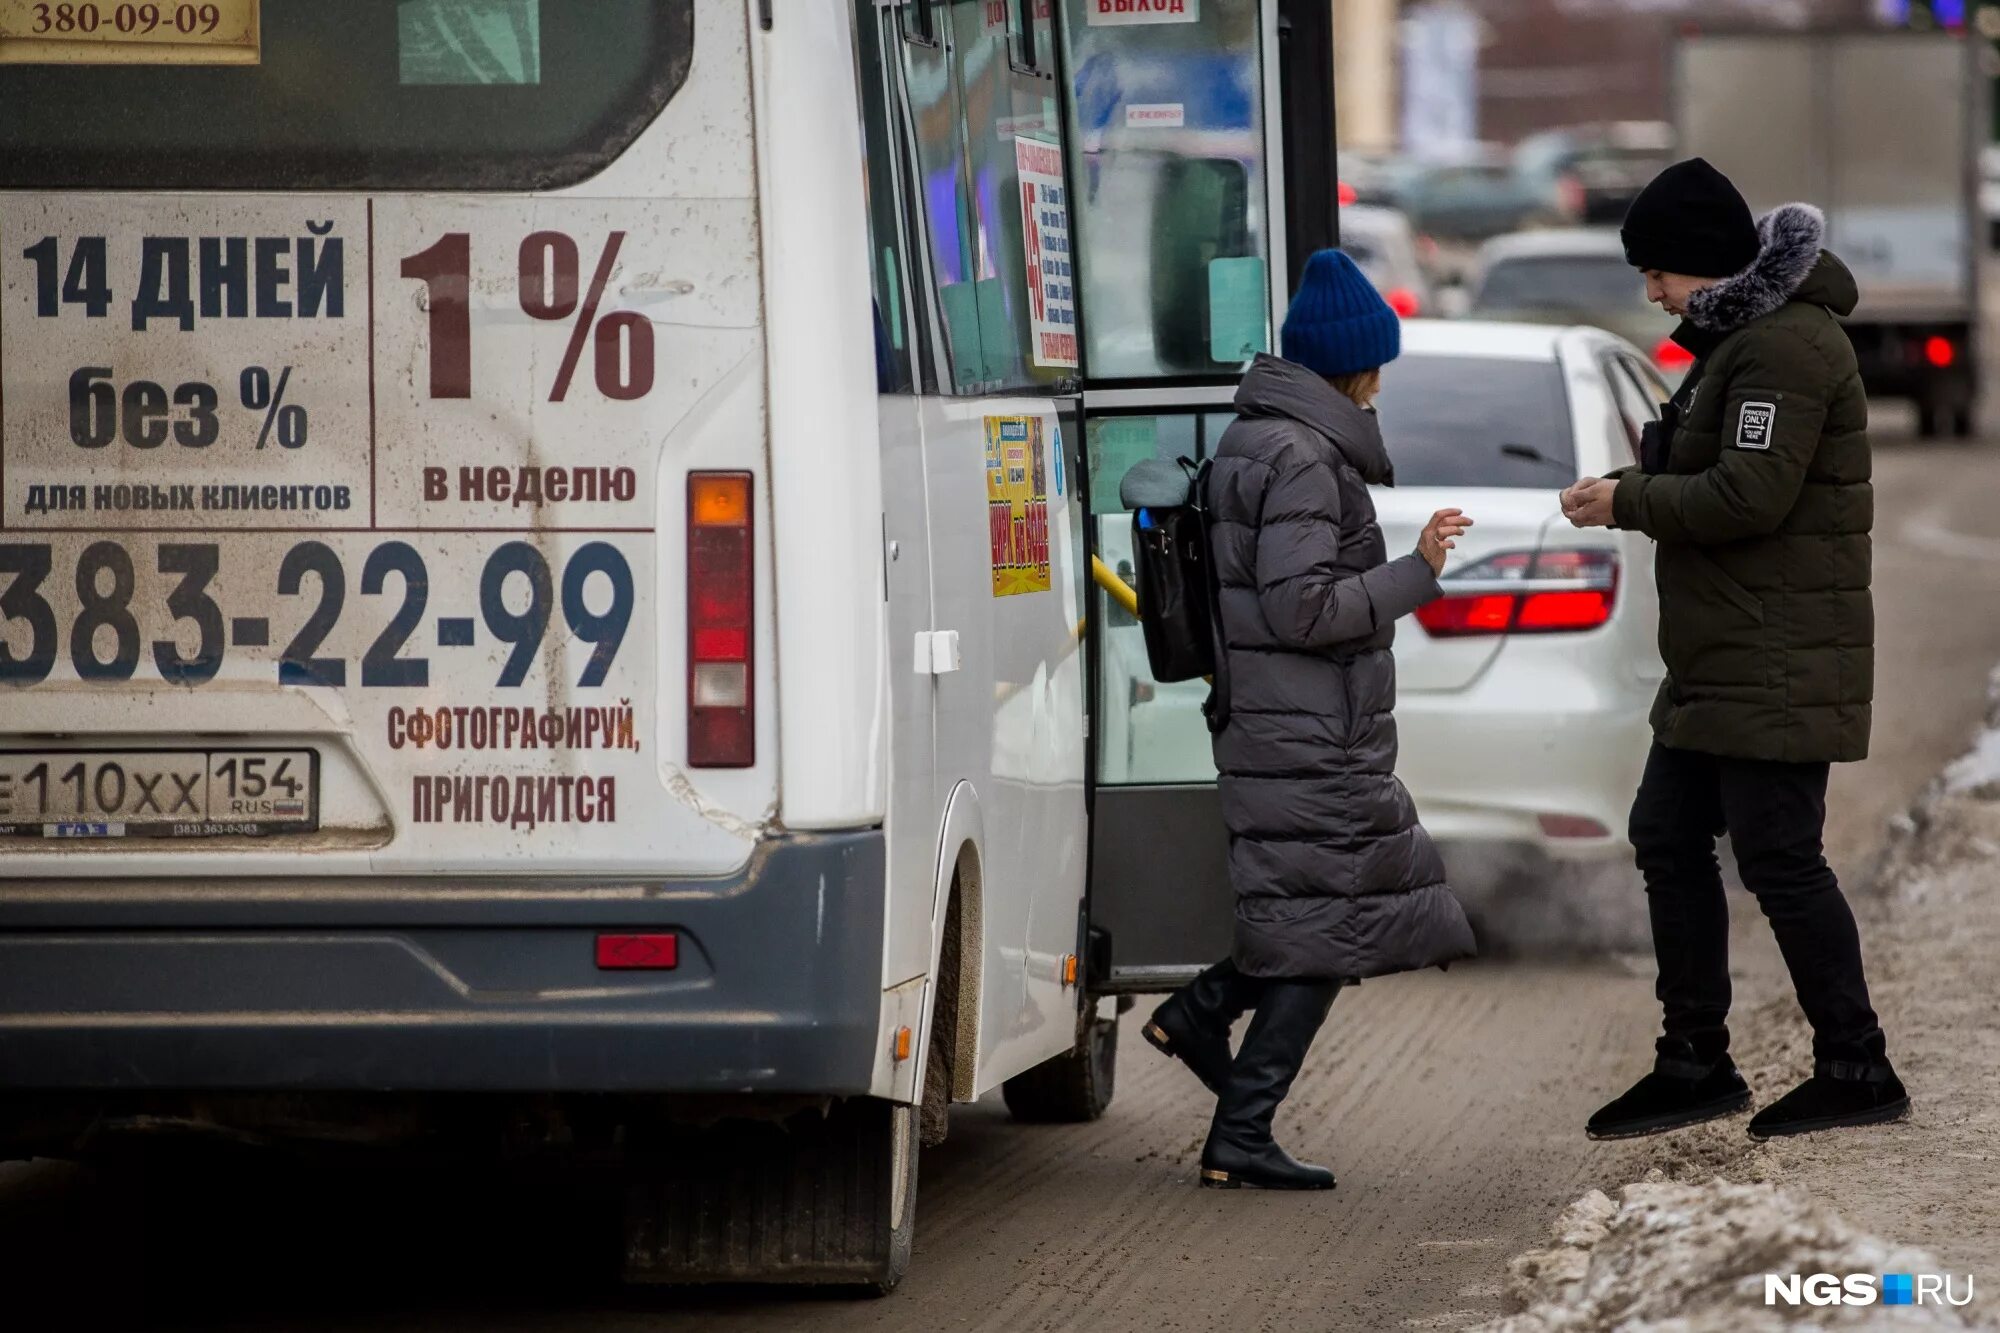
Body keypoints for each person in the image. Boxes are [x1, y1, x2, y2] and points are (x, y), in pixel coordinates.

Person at [1563, 158, 1907, 1141]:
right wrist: (1637, 480)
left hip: (1775, 653)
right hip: (1723, 656)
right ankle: (1692, 1061)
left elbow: (1746, 496)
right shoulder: (1740, 342)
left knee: (1778, 858)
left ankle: (1855, 1063)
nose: (1651, 292)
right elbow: (1717, 470)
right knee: (1666, 836)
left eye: (1658, 271)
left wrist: (1623, 500)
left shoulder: (1784, 349)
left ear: (1707, 265)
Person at [1142, 249, 1478, 1190]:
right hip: (1304, 732)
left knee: (1320, 913)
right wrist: (1417, 571)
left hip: (1292, 726)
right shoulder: (1299, 457)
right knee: (1326, 929)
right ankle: (1240, 1128)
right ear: (1355, 367)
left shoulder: (1270, 438)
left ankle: (1203, 1016)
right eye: (1379, 366)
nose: (1382, 384)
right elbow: (1302, 610)